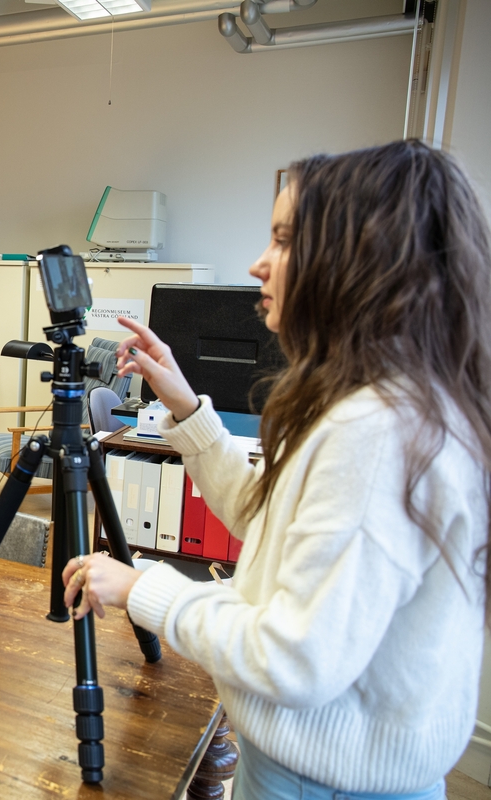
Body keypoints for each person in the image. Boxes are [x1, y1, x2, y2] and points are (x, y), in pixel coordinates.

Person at [63, 140, 490, 799]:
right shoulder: (400, 405)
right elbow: (272, 520)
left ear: (360, 260)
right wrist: (182, 401)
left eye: (285, 240)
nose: (259, 263)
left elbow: (296, 655)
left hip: (322, 783)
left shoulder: (375, 432)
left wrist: (140, 585)